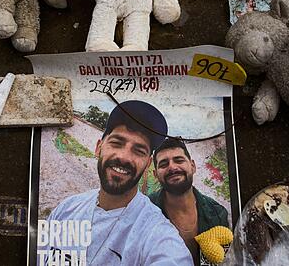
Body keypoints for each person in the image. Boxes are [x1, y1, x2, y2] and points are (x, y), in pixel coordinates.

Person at [40, 100, 192, 265]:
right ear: (99, 148)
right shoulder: (66, 209)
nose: (124, 157)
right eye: (116, 143)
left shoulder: (157, 235)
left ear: (148, 164)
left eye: (139, 151)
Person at [148, 138, 230, 265]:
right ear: (155, 174)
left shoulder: (217, 214)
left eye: (179, 160)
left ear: (193, 166)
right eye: (164, 164)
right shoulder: (143, 211)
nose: (172, 167)